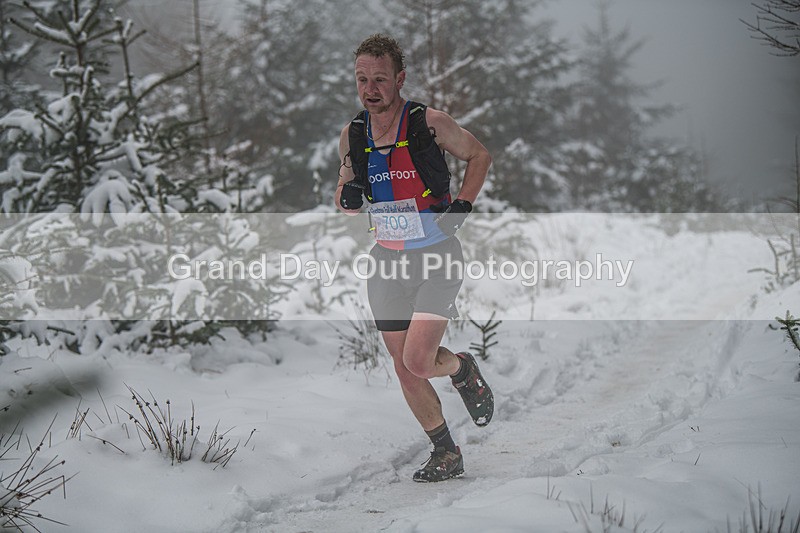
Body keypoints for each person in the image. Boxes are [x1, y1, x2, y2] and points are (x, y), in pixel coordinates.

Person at [334, 34, 494, 482]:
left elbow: (479, 155)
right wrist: (347, 193)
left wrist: (461, 205)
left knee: (420, 361)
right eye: (362, 79)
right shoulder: (355, 134)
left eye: (380, 79)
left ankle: (462, 368)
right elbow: (345, 195)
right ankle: (446, 452)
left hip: (437, 256)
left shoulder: (429, 122)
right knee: (404, 369)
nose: (370, 88)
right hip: (386, 260)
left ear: (399, 79)